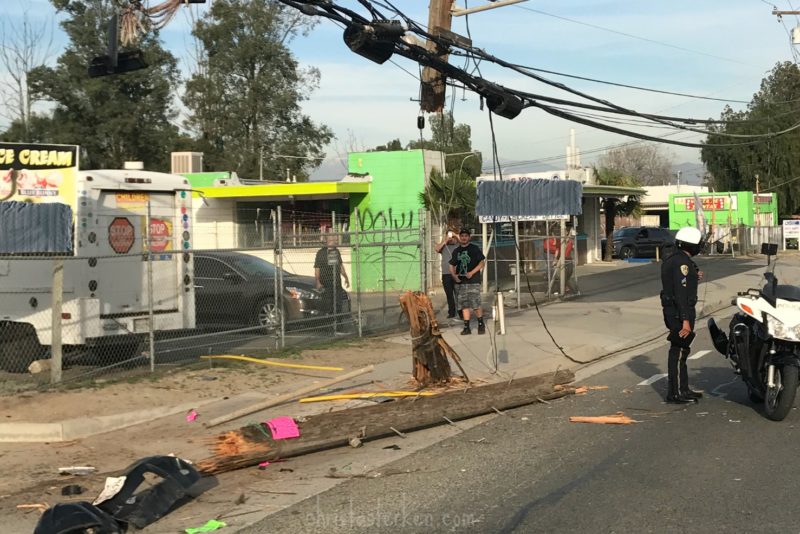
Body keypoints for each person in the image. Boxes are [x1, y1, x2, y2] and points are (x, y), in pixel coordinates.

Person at [660, 226, 704, 404]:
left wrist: (695, 275)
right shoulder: (682, 263)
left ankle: (683, 388)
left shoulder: (677, 259)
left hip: (677, 310)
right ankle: (675, 392)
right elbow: (680, 292)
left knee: (684, 350)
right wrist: (685, 320)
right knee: (678, 351)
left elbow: (681, 281)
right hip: (679, 312)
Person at [449, 228, 486, 335]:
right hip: (461, 282)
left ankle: (480, 324)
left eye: (466, 236)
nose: (464, 238)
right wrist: (454, 276)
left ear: (469, 237)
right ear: (459, 237)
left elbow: (482, 263)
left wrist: (472, 273)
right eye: (462, 236)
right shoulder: (457, 251)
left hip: (473, 281)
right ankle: (466, 327)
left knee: (475, 303)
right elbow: (451, 265)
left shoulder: (474, 248)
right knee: (464, 305)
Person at [314, 234, 350, 315]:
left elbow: (340, 266)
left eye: (334, 240)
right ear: (326, 241)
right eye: (330, 240)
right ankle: (330, 323)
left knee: (338, 305)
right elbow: (317, 268)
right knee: (328, 306)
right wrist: (317, 281)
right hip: (326, 283)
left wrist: (346, 277)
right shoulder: (321, 253)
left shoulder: (336, 251)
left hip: (336, 282)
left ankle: (338, 324)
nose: (333, 242)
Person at [435, 229, 461, 319]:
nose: (451, 239)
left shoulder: (458, 245)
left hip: (457, 273)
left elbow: (464, 242)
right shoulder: (444, 246)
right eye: (449, 237)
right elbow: (437, 248)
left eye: (452, 237)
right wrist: (445, 240)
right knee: (449, 294)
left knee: (458, 294)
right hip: (446, 274)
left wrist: (455, 235)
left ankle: (461, 312)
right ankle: (451, 312)